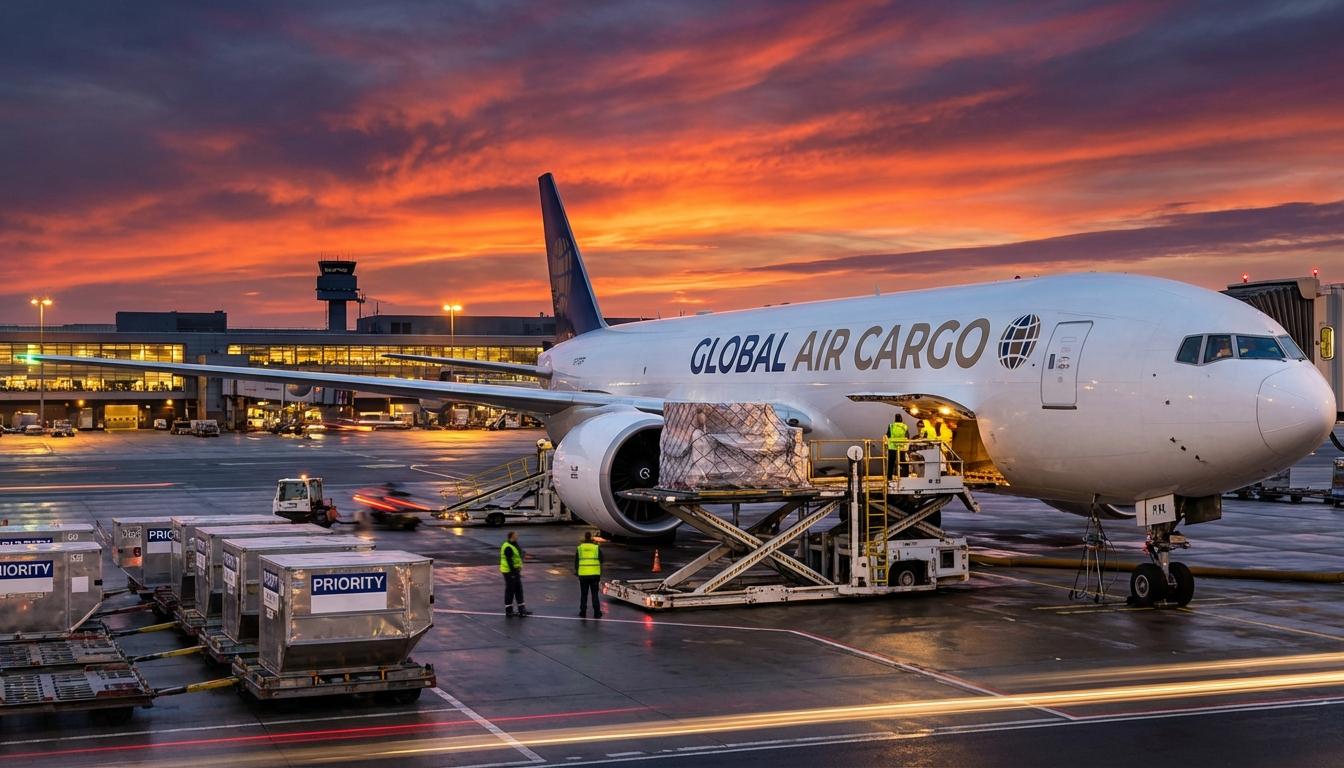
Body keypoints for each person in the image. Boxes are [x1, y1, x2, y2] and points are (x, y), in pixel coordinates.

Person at [500, 531, 530, 616]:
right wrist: (513, 573)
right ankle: (509, 611)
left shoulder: (515, 544)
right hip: (509, 572)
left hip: (515, 571)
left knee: (518, 590)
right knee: (510, 590)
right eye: (516, 535)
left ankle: (522, 610)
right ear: (511, 536)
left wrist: (523, 554)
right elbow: (509, 561)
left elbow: (519, 553)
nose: (517, 536)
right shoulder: (507, 547)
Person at [575, 531, 603, 618]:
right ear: (591, 537)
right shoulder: (596, 547)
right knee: (594, 594)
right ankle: (597, 613)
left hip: (583, 575)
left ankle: (583, 612)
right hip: (594, 574)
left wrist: (577, 572)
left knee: (584, 594)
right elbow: (601, 560)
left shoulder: (580, 548)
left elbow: (576, 562)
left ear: (584, 538)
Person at [884, 413, 909, 479]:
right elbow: (907, 436)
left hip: (892, 446)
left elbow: (888, 435)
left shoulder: (891, 426)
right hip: (902, 447)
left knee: (891, 463)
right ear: (901, 419)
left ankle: (889, 477)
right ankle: (905, 476)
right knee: (903, 462)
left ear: (895, 419)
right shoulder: (904, 426)